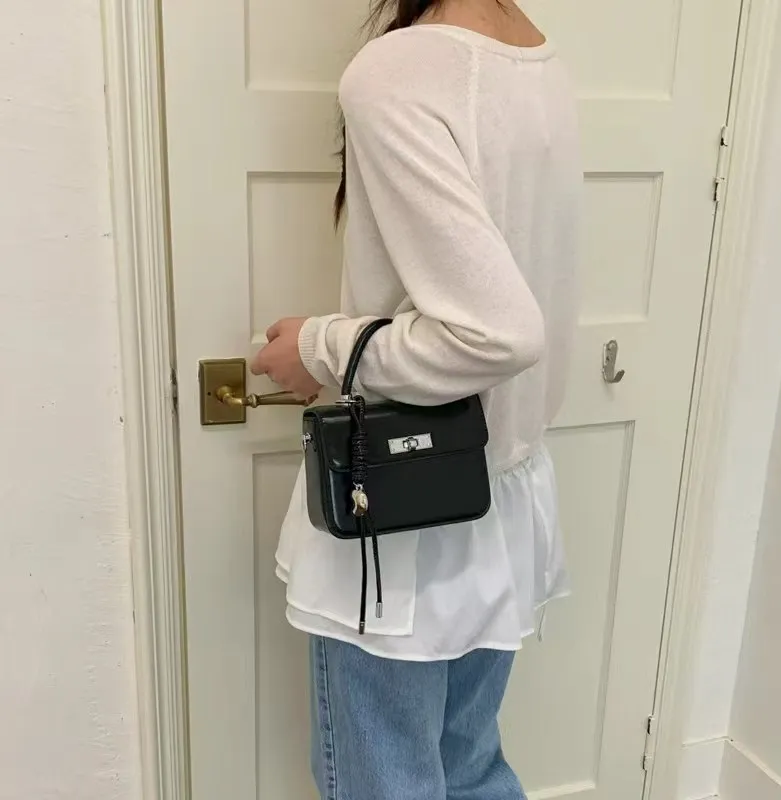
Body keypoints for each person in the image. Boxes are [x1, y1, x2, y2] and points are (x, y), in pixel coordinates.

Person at [251, 0, 581, 797]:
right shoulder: (535, 57)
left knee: (388, 782)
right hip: (495, 494)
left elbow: (496, 334)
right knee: (470, 770)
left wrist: (319, 347)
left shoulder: (399, 71)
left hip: (401, 514)